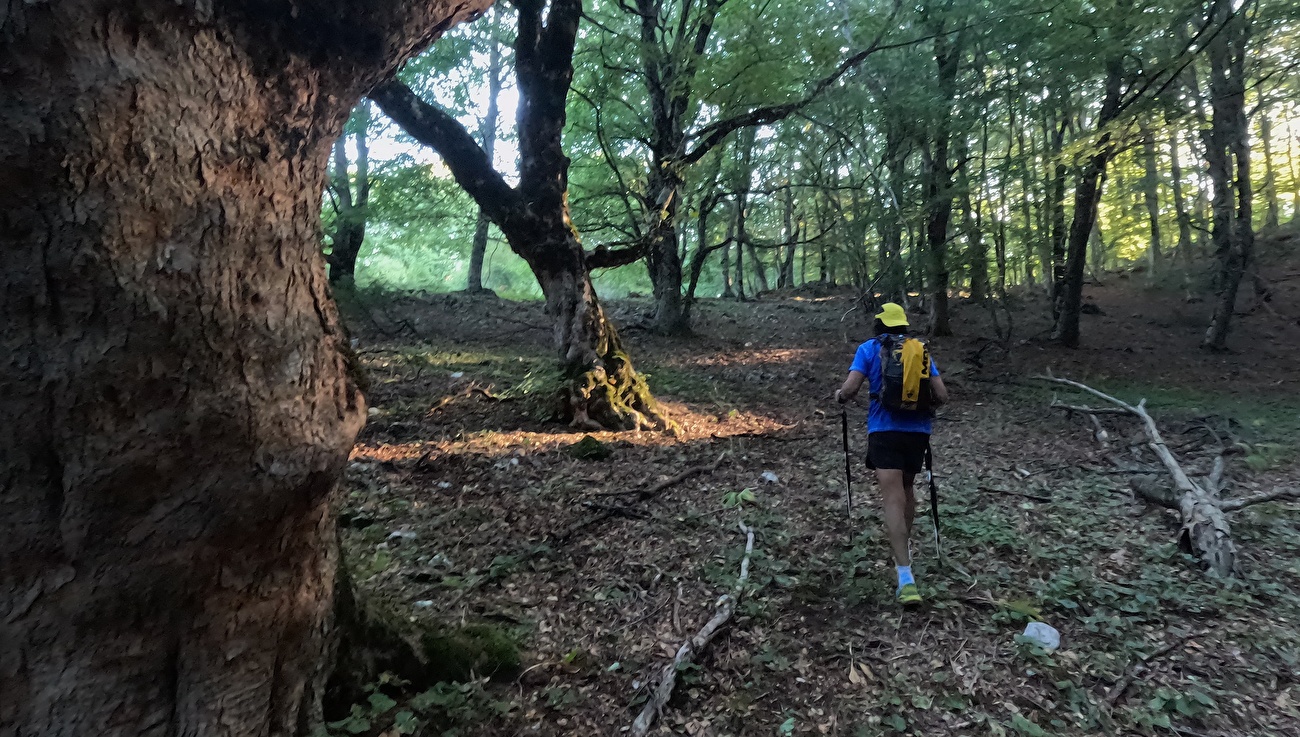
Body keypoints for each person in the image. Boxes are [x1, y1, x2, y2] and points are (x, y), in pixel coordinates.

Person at [835, 302, 948, 606]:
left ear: (879, 324)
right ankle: (903, 555)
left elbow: (850, 388)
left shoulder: (869, 349)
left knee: (892, 497)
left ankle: (905, 575)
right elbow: (942, 395)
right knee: (908, 490)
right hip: (918, 432)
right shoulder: (919, 350)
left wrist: (840, 396)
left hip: (884, 430)